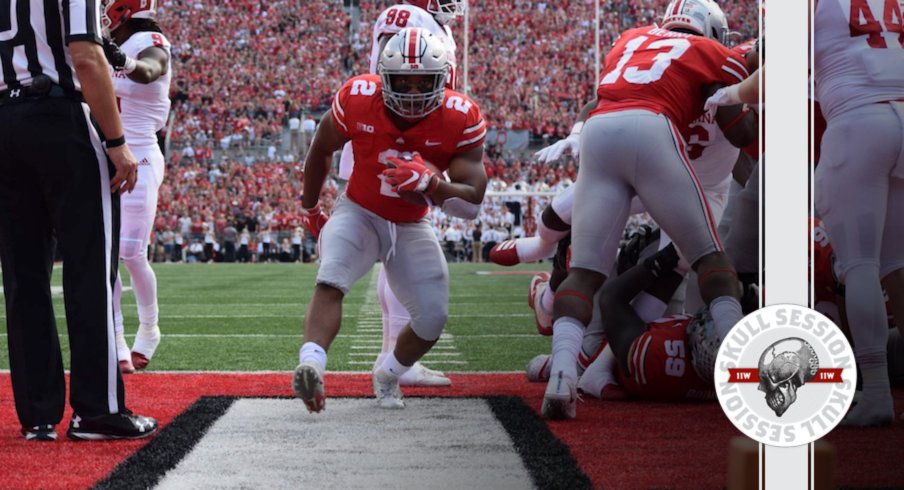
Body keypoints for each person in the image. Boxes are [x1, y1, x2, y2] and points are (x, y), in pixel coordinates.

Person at [542, 0, 750, 420]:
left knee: (585, 273)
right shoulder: (712, 52)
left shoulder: (632, 38)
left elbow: (605, 93)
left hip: (602, 130)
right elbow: (741, 131)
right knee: (711, 260)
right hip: (651, 129)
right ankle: (742, 374)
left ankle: (561, 377)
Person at [294, 27, 487, 412]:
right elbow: (321, 148)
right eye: (404, 81)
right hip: (359, 209)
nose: (413, 92)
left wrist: (434, 184)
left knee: (432, 317)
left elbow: (473, 197)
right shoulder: (358, 97)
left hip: (411, 223)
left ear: (442, 79)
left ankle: (388, 372)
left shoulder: (460, 114)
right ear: (384, 77)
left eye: (423, 83)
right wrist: (310, 207)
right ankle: (311, 365)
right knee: (332, 276)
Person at [0, 0, 157, 440]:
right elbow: (87, 57)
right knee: (90, 270)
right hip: (59, 116)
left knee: (24, 277)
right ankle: (97, 409)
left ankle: (37, 416)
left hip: (5, 124)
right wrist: (116, 140)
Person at [336, 0, 467, 387]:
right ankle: (396, 359)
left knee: (397, 244)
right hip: (396, 143)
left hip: (407, 141)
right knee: (395, 244)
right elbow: (395, 81)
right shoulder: (411, 16)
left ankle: (394, 355)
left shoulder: (426, 20)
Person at [812, 0, 904, 426]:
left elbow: (771, 78)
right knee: (898, 265)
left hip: (858, 121)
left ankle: (878, 395)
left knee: (860, 265)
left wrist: (732, 93)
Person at [102, 0, 171, 374]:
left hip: (141, 151)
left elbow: (148, 71)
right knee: (106, 254)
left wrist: (120, 60)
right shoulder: (101, 42)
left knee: (130, 252)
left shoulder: (151, 40)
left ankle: (149, 327)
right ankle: (116, 339)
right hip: (104, 151)